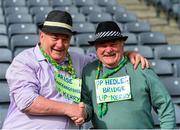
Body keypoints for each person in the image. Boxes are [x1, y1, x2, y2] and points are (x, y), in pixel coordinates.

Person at [3, 11, 150, 129]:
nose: (60, 44)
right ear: (42, 37)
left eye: (65, 39)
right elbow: (27, 102)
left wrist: (127, 54)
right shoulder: (25, 61)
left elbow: (105, 56)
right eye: (55, 38)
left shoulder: (78, 60)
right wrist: (69, 109)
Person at [81, 21, 176, 129]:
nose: (108, 50)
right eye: (103, 45)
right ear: (96, 48)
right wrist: (83, 112)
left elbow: (164, 104)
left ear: (122, 45)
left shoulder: (140, 67)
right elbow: (87, 105)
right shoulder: (89, 72)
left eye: (113, 44)